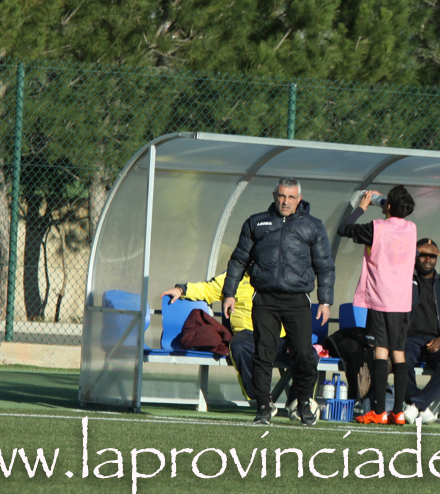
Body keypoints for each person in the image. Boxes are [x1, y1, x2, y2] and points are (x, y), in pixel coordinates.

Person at [222, 177, 334, 426]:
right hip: (265, 298)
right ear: (274, 196)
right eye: (282, 196)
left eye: (291, 197)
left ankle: (303, 403)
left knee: (304, 354)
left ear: (299, 199)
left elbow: (325, 266)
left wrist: (325, 301)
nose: (285, 201)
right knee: (263, 353)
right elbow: (239, 259)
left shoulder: (313, 226)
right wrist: (229, 293)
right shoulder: (256, 222)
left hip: (297, 300)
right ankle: (263, 407)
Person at [337, 186, 417, 425]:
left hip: (381, 299)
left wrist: (362, 207)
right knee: (399, 353)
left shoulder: (377, 227)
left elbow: (343, 228)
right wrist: (387, 204)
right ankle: (398, 412)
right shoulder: (412, 228)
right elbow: (396, 221)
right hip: (402, 301)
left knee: (380, 351)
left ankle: (380, 410)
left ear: (388, 206)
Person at [161, 272, 264, 403]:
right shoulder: (235, 276)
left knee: (291, 346)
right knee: (239, 346)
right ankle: (261, 398)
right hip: (247, 334)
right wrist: (182, 289)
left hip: (278, 333)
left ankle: (289, 399)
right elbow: (208, 289)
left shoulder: (281, 275)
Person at [401, 238, 440, 425]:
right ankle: (422, 407)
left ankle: (415, 405)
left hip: (436, 338)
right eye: (423, 255)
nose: (428, 259)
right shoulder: (404, 280)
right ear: (415, 256)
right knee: (401, 359)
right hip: (409, 337)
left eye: (432, 256)